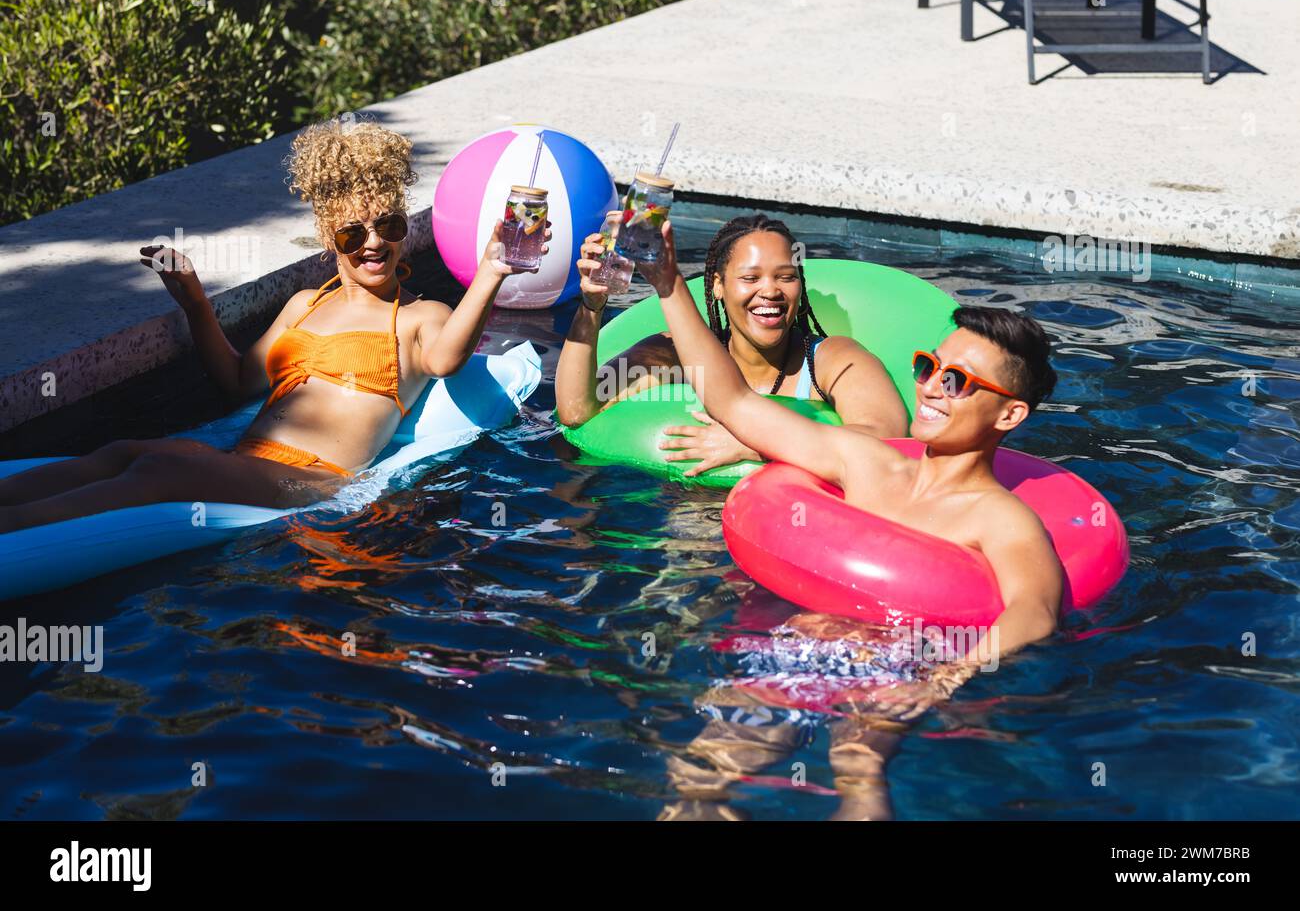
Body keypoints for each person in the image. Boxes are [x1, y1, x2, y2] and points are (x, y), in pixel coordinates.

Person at [638, 219, 1064, 819]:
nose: (932, 390)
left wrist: (936, 682)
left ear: (1009, 414)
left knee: (859, 777)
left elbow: (1034, 610)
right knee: (696, 776)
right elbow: (732, 402)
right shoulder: (864, 462)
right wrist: (664, 281)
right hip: (800, 647)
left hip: (901, 666)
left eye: (958, 381)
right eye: (926, 367)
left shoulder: (1001, 517)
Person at [0, 117, 544, 533]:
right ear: (330, 237)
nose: (374, 242)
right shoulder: (304, 304)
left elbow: (449, 358)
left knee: (155, 476)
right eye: (354, 233)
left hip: (307, 480)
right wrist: (194, 301)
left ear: (404, 232)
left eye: (389, 225)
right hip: (240, 462)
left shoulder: (420, 317)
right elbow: (238, 381)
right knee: (128, 452)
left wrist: (493, 269)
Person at [555, 213, 907, 478]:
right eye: (750, 278)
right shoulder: (675, 355)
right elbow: (577, 410)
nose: (770, 291)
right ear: (719, 286)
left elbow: (886, 442)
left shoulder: (831, 361)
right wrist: (591, 305)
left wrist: (758, 445)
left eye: (786, 277)